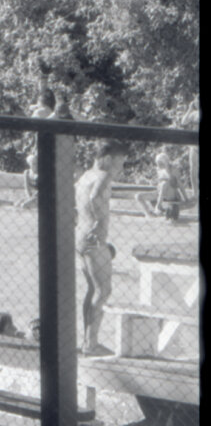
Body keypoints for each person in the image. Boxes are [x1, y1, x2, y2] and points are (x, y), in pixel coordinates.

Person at [75, 141, 128, 355]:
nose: (120, 169)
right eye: (119, 163)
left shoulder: (86, 175)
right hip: (94, 237)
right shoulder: (103, 176)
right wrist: (98, 221)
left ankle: (88, 341)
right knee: (104, 290)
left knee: (92, 290)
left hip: (81, 236)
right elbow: (95, 197)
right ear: (107, 159)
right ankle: (91, 344)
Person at [138, 150, 186, 221]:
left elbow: (180, 185)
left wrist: (186, 198)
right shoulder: (159, 170)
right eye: (157, 163)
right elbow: (159, 184)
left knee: (164, 183)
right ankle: (149, 215)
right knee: (138, 196)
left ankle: (158, 206)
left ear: (166, 161)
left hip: (171, 194)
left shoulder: (174, 170)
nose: (158, 165)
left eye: (160, 163)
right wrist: (150, 182)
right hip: (160, 193)